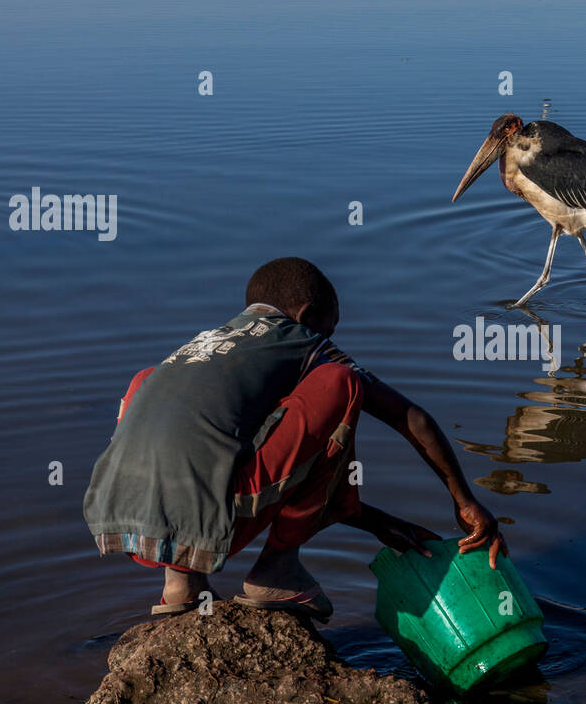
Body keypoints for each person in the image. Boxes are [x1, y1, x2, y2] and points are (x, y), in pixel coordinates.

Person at [83, 257, 507, 620]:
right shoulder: (304, 343)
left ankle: (180, 586)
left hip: (120, 525)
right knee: (340, 384)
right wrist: (465, 501)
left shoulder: (204, 346)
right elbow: (411, 417)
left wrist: (379, 523)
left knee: (148, 383)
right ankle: (276, 571)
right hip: (212, 522)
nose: (331, 339)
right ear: (305, 316)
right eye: (330, 328)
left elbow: (283, 468)